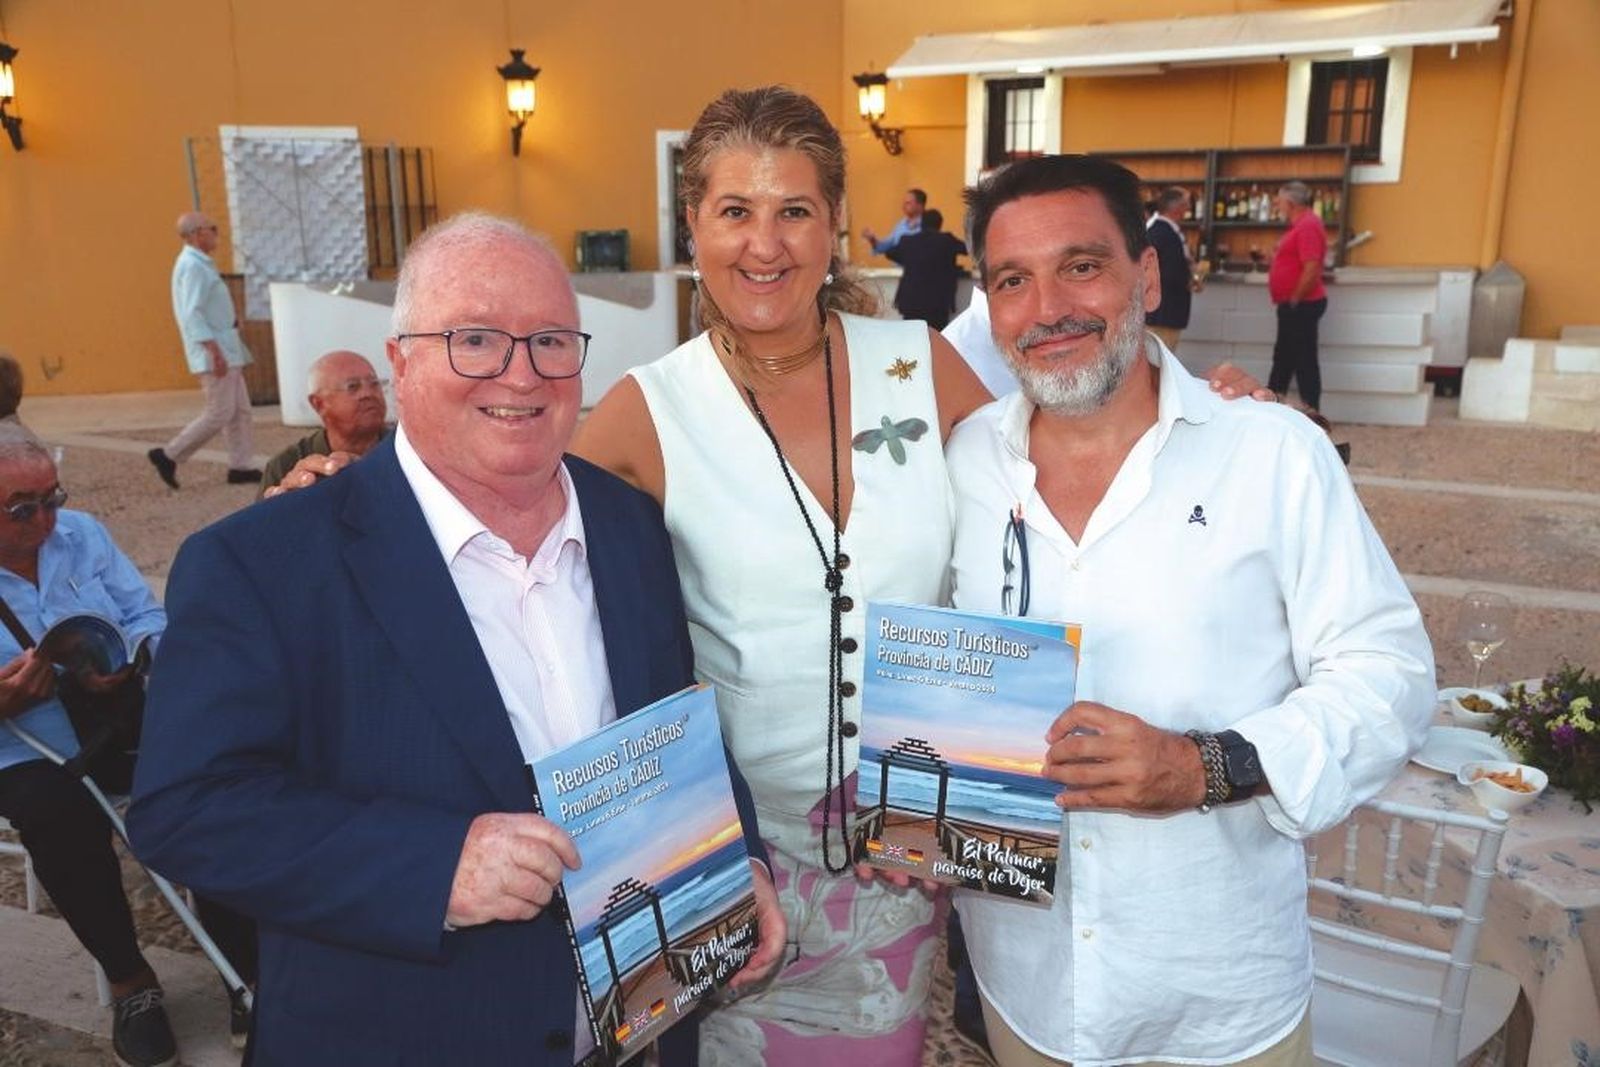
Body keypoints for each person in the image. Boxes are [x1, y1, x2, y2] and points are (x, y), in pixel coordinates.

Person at [574, 91, 1267, 1065]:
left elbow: (1063, 459)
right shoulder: (647, 408)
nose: (764, 243)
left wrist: (1205, 414)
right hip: (729, 858)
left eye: (794, 210)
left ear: (836, 225)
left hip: (905, 835)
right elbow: (535, 564)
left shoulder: (914, 363)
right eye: (735, 210)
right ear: (694, 224)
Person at [128, 213, 783, 1065]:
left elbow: (676, 728)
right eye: (474, 339)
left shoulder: (629, 525)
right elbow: (186, 810)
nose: (522, 372)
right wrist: (436, 867)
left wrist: (740, 862)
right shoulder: (264, 563)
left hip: (639, 1029)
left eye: (551, 340)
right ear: (400, 362)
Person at [944, 154, 1434, 1066]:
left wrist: (1205, 766)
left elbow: (1391, 677)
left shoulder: (1270, 453)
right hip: (1026, 989)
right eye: (1013, 280)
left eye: (1081, 266)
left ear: (1148, 277)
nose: (1048, 307)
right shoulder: (961, 462)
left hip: (1221, 1002)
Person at [0, 431, 179, 1067]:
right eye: (22, 509)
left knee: (209, 775)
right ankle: (131, 982)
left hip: (117, 716)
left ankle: (245, 954)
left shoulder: (83, 535)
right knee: (58, 816)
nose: (46, 521)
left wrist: (133, 657)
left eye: (53, 498)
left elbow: (148, 617)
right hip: (26, 748)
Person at [146, 212, 261, 490]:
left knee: (239, 411)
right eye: (213, 229)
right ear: (197, 233)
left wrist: (230, 320)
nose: (216, 234)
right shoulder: (193, 266)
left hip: (225, 347)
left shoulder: (199, 264)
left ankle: (240, 466)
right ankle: (169, 454)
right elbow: (192, 313)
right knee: (220, 412)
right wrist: (214, 350)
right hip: (215, 351)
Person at [259, 350, 390, 498]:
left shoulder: (405, 447)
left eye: (374, 384)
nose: (368, 394)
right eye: (353, 387)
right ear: (319, 404)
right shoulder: (285, 465)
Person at [1267, 181, 1329, 411]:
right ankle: (1274, 407)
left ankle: (1310, 413)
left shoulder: (1307, 225)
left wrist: (1295, 298)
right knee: (1286, 359)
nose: (1277, 205)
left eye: (1280, 201)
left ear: (1291, 203)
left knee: (1301, 361)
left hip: (1302, 304)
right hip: (1296, 304)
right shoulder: (1302, 224)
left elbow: (1311, 267)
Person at [885, 207, 968, 330]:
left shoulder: (908, 241)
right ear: (940, 224)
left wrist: (910, 259)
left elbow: (890, 253)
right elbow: (968, 249)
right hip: (938, 303)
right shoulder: (947, 241)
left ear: (922, 224)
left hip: (911, 302)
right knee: (937, 338)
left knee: (911, 337)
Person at [1144, 186, 1197, 352]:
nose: (1189, 208)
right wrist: (1189, 280)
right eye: (1187, 204)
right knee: (1160, 361)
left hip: (1162, 313)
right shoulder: (1163, 233)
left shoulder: (1161, 231)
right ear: (1178, 208)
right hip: (1162, 314)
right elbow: (1166, 273)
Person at [862, 186, 926, 254]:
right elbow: (884, 247)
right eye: (904, 203)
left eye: (908, 203)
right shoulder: (901, 224)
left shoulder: (928, 223)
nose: (903, 206)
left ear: (919, 205)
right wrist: (872, 239)